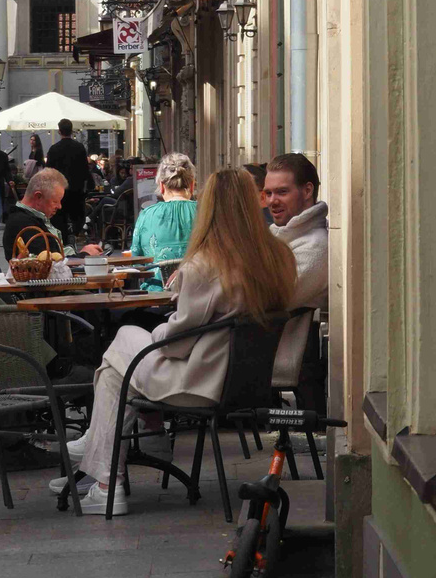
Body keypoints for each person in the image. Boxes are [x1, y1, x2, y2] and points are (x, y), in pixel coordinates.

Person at [59, 166, 296, 514]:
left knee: (122, 345)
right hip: (243, 380)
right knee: (117, 367)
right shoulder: (279, 257)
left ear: (208, 207)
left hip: (199, 382)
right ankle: (104, 469)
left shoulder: (206, 264)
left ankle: (106, 472)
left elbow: (177, 344)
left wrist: (160, 329)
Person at [264, 153, 329, 310]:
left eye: (282, 192)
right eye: (268, 193)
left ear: (307, 191)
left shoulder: (317, 246)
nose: (272, 201)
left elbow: (267, 301)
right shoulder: (273, 236)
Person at [2, 167, 103, 261]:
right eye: (55, 201)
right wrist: (85, 255)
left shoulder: (32, 218)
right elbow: (51, 264)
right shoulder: (23, 224)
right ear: (38, 197)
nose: (59, 206)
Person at [129, 153, 198, 289]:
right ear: (191, 185)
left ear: (161, 186)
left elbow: (135, 262)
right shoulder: (206, 212)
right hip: (199, 298)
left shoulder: (146, 215)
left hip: (155, 297)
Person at [45, 118, 95, 242]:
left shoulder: (54, 149)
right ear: (71, 131)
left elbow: (49, 170)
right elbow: (85, 168)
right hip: (76, 189)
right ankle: (74, 233)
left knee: (59, 216)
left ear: (59, 131)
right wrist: (89, 184)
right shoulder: (79, 147)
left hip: (59, 190)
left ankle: (64, 238)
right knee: (78, 215)